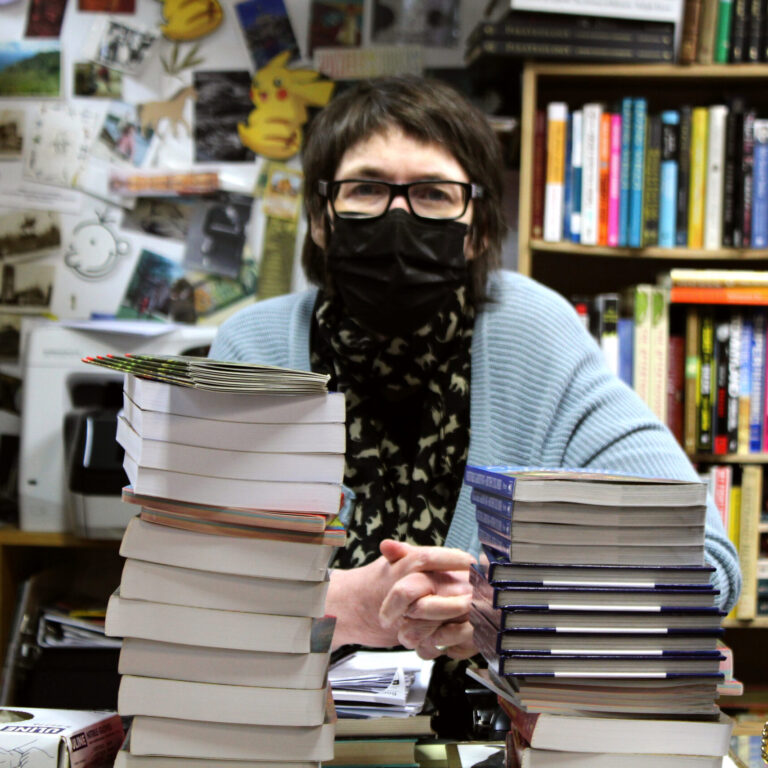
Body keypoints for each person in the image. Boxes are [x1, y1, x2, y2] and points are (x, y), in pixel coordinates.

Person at [209, 75, 741, 661]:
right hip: (285, 725)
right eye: (365, 189)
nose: (398, 215)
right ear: (319, 216)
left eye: (434, 194)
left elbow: (703, 564)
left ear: (478, 229)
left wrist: (508, 602)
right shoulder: (254, 347)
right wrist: (342, 603)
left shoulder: (533, 333)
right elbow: (187, 576)